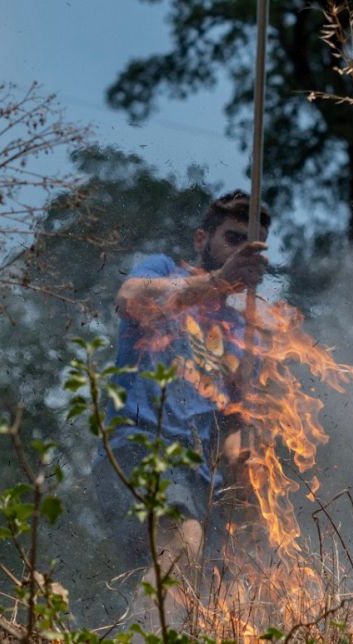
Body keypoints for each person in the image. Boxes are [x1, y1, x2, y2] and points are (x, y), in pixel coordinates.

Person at [91, 190, 270, 618]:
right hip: (140, 446)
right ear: (200, 238)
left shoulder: (243, 331)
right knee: (181, 541)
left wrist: (244, 466)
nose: (241, 254)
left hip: (196, 478)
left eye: (253, 247)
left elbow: (231, 424)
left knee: (197, 587)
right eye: (232, 239)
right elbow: (129, 297)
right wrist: (216, 280)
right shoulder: (163, 271)